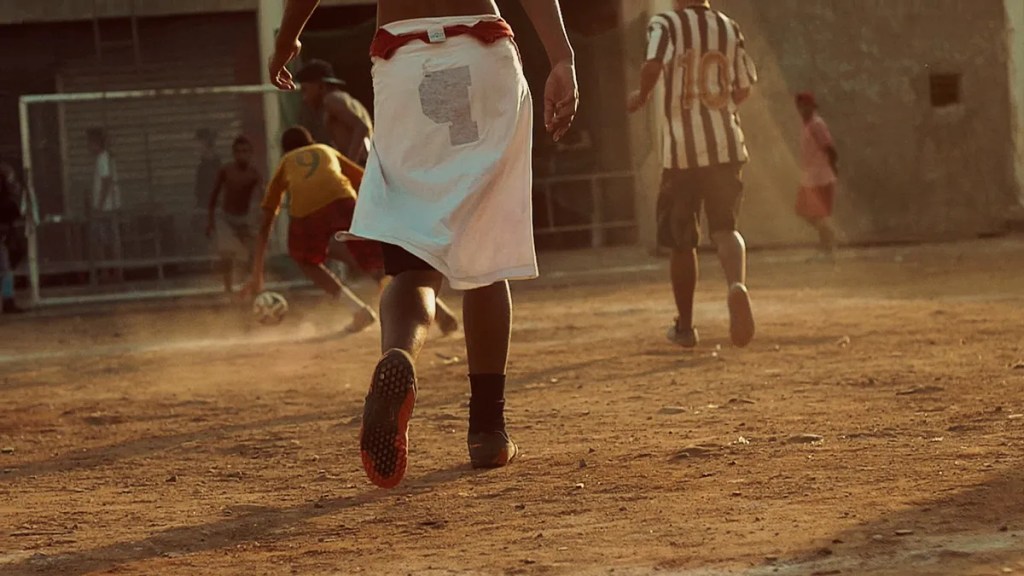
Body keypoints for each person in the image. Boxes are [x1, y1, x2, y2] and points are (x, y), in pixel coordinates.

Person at [270, 0, 578, 488]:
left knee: (411, 266)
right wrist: (562, 57)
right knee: (484, 259)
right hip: (484, 54)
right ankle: (487, 432)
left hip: (404, 61)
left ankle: (400, 355)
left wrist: (287, 38)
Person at [627, 0, 757, 349]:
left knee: (681, 241)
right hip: (727, 146)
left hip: (681, 153)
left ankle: (685, 328)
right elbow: (743, 87)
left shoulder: (665, 24)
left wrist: (642, 94)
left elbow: (653, 63)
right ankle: (736, 285)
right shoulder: (729, 26)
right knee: (725, 228)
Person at [246, 126, 461, 334]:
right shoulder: (326, 150)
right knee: (382, 265)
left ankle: (358, 311)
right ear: (310, 142)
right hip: (343, 200)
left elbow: (266, 224)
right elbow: (366, 178)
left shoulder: (285, 162)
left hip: (306, 213)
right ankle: (440, 313)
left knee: (305, 259)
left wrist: (257, 274)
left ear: (285, 150)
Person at [206, 135, 262, 295]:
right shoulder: (226, 170)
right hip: (226, 217)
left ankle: (252, 286)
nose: (242, 155)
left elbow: (264, 195)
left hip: (244, 219)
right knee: (226, 254)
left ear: (250, 153)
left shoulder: (254, 174)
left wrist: (262, 216)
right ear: (233, 153)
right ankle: (228, 289)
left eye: (245, 151)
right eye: (238, 151)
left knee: (253, 253)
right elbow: (214, 196)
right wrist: (210, 221)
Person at [294, 59, 374, 166]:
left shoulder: (331, 100)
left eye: (305, 90)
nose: (304, 98)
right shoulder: (346, 99)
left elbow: (361, 127)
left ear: (321, 86)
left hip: (361, 163)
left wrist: (350, 165)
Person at [794, 92, 840, 260]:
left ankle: (828, 246)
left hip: (820, 176)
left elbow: (829, 147)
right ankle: (826, 246)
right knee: (806, 212)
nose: (802, 110)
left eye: (806, 106)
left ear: (811, 107)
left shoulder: (816, 124)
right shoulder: (807, 125)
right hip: (810, 177)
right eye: (800, 106)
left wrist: (833, 167)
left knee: (816, 214)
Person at [87, 127, 123, 283]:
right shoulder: (104, 157)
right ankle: (112, 271)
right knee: (108, 240)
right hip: (107, 206)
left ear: (96, 143)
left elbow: (106, 181)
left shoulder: (103, 158)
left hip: (106, 207)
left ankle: (110, 272)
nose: (88, 146)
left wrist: (99, 206)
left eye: (89, 143)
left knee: (102, 240)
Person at [0, 160, 25, 314]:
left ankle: (8, 300)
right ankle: (8, 301)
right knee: (6, 269)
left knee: (6, 268)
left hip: (3, 237)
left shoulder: (8, 202)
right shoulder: (6, 202)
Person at [194, 128, 222, 210]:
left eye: (198, 142)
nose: (196, 146)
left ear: (205, 143)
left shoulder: (214, 167)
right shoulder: (202, 167)